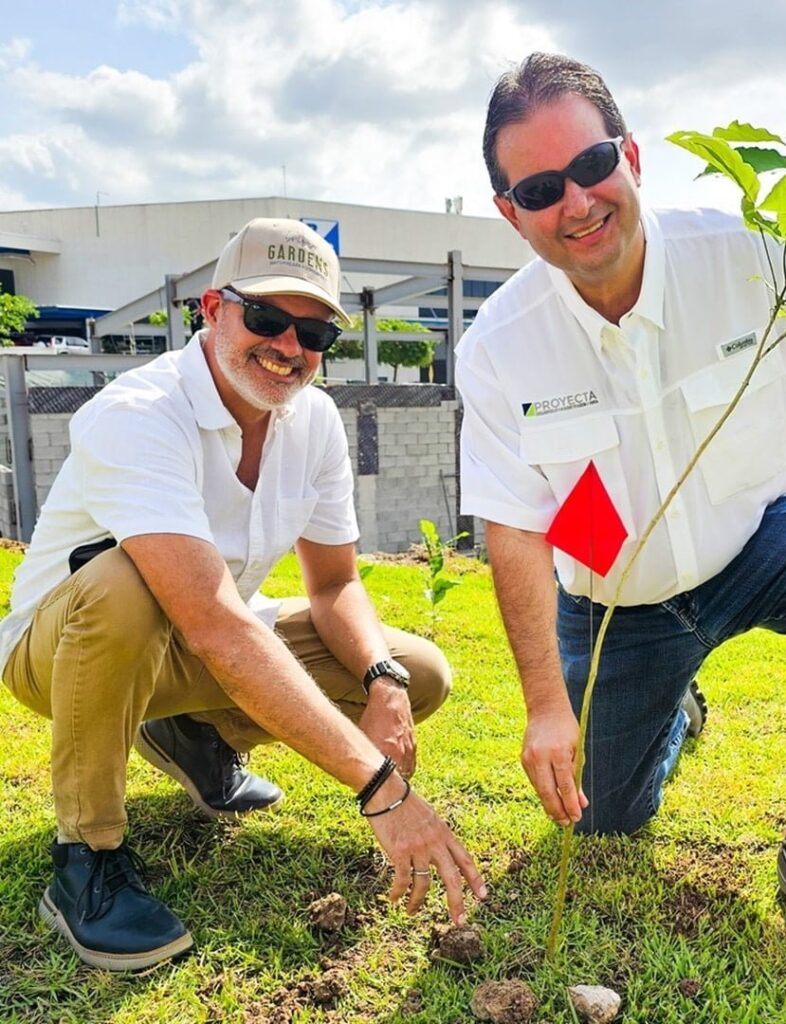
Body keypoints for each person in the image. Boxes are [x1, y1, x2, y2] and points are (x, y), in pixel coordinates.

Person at [455, 53, 786, 984]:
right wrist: (542, 707)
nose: (575, 202)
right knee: (606, 816)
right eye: (539, 187)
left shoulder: (747, 255)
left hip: (759, 536)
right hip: (618, 596)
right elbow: (514, 526)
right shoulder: (497, 348)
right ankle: (673, 714)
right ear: (510, 211)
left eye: (591, 164)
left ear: (633, 156)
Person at [1, 217, 486, 971]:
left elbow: (334, 584)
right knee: (126, 582)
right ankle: (85, 859)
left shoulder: (313, 419)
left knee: (416, 669)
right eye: (265, 318)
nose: (290, 348)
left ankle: (199, 735)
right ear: (211, 308)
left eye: (315, 333)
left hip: (189, 644)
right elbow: (214, 622)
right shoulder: (139, 413)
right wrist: (379, 787)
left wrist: (381, 681)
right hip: (60, 655)